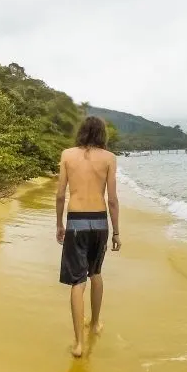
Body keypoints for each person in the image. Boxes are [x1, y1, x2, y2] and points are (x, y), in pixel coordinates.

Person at [55, 116, 121, 357]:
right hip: (99, 222)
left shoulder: (67, 155)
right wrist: (116, 231)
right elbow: (112, 199)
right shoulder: (109, 158)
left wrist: (59, 223)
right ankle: (94, 324)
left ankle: (79, 344)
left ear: (81, 132)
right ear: (102, 134)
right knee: (95, 273)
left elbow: (60, 194)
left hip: (76, 222)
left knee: (77, 281)